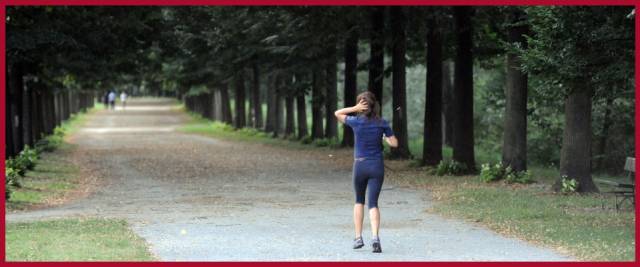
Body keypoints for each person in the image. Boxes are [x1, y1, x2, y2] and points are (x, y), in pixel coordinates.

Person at [334, 91, 398, 253]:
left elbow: (337, 113)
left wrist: (354, 107)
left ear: (362, 107)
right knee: (373, 203)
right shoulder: (382, 123)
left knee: (359, 201)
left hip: (360, 166)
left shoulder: (356, 122)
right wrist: (385, 137)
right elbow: (394, 144)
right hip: (376, 166)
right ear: (374, 105)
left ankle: (358, 238)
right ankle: (375, 238)